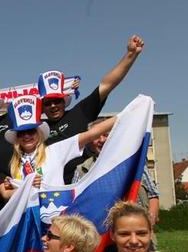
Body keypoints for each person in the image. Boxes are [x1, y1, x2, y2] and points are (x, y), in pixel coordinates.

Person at [40, 35, 145, 183]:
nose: (53, 106)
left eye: (57, 101)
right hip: (51, 191)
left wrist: (130, 55)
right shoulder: (36, 131)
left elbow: (107, 85)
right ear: (42, 107)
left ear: (64, 102)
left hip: (85, 185)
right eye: (47, 103)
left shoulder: (80, 113)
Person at [5, 94, 118, 189]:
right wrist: (12, 187)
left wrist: (124, 115)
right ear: (17, 137)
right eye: (21, 133)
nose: (26, 136)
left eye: (31, 131)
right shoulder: (15, 163)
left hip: (55, 208)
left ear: (38, 133)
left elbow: (92, 133)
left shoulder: (55, 151)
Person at [73, 124, 160, 227]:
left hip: (135, 228)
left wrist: (151, 218)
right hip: (98, 231)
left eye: (106, 135)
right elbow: (75, 203)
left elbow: (153, 195)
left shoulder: (136, 164)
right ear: (90, 141)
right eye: (96, 137)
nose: (101, 140)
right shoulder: (82, 170)